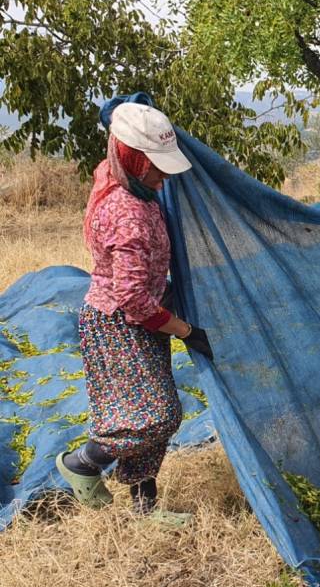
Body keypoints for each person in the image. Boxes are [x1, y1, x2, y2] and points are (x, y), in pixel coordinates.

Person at [55, 102, 213, 526]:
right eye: (156, 168)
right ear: (134, 160)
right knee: (154, 415)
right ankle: (83, 462)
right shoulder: (128, 212)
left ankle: (145, 508)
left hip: (137, 323)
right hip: (118, 324)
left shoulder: (120, 178)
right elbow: (131, 296)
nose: (164, 178)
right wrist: (184, 330)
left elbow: (119, 121)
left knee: (146, 411)